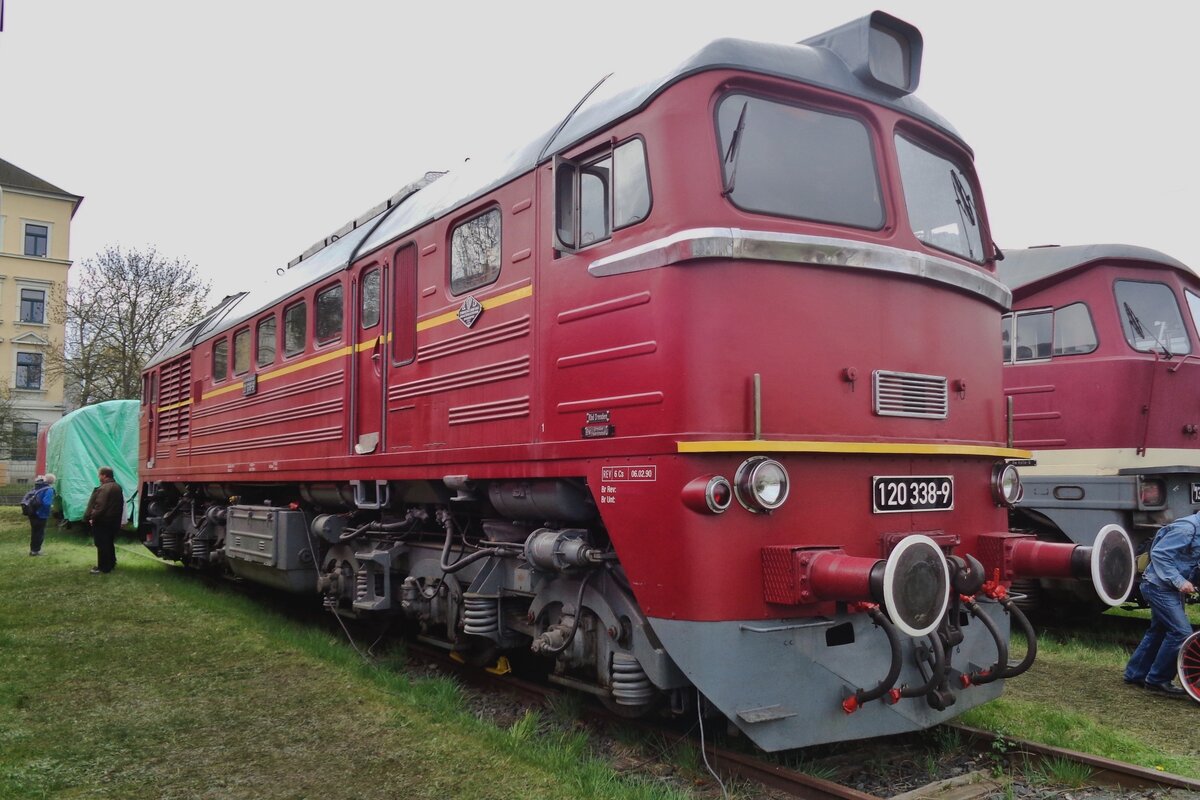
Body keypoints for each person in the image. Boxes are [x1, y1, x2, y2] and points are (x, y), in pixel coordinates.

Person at [1124, 511, 1200, 696]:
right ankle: (1158, 680)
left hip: (1168, 587)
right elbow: (1159, 555)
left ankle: (1135, 674)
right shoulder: (1186, 529)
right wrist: (1180, 582)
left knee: (1159, 630)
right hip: (1158, 586)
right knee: (1181, 633)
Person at [84, 466, 124, 575]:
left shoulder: (104, 488)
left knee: (102, 544)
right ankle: (111, 563)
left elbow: (100, 506)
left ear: (104, 475)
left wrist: (92, 517)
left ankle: (103, 567)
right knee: (109, 543)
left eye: (99, 474)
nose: (98, 477)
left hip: (103, 521)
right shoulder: (117, 487)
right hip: (113, 520)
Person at [27, 473, 56, 556]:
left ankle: (32, 549)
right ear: (52, 482)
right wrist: (50, 507)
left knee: (34, 531)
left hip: (32, 512)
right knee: (40, 532)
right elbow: (46, 503)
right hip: (41, 514)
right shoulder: (49, 489)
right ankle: (36, 551)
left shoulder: (38, 487)